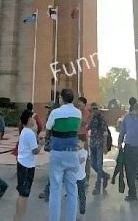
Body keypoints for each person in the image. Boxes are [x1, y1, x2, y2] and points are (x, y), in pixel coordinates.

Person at [42, 87, 83, 218]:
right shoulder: (78, 113)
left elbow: (48, 127)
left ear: (61, 99)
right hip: (72, 153)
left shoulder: (55, 112)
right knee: (72, 189)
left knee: (55, 189)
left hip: (57, 153)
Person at [14, 109, 41, 221]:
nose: (33, 120)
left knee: (22, 193)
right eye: (31, 118)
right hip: (27, 166)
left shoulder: (25, 131)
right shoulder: (29, 133)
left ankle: (18, 216)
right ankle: (18, 217)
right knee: (24, 194)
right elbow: (35, 151)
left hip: (22, 163)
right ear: (28, 120)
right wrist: (41, 144)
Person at [87, 101, 110, 194]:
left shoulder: (102, 119)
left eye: (96, 108)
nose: (95, 110)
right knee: (93, 164)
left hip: (100, 144)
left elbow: (105, 133)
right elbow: (87, 128)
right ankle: (105, 176)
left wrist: (104, 146)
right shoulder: (91, 118)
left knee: (99, 165)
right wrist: (90, 118)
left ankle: (98, 186)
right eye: (93, 109)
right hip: (92, 143)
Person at [75, 133, 90, 217]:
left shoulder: (84, 152)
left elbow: (81, 161)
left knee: (82, 194)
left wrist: (75, 154)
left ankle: (82, 209)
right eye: (76, 141)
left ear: (83, 142)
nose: (77, 143)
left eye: (79, 142)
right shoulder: (74, 151)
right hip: (74, 177)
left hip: (81, 177)